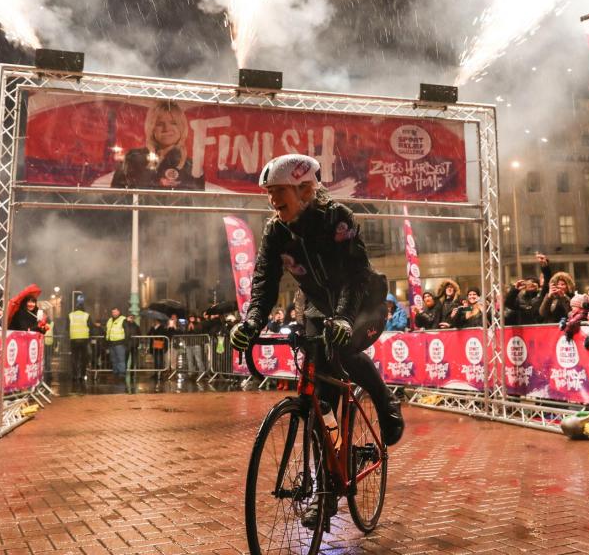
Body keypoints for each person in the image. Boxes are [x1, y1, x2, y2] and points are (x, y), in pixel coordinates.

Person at [229, 154, 405, 469]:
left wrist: (344, 319)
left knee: (344, 350)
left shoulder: (337, 218)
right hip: (318, 312)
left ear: (306, 190)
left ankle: (385, 401)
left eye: (278, 190)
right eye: (268, 191)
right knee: (320, 402)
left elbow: (355, 276)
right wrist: (252, 323)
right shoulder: (276, 232)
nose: (271, 199)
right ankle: (329, 478)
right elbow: (264, 283)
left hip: (363, 304)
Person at [110, 100, 204, 190]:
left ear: (181, 127)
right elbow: (116, 197)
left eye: (173, 123)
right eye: (159, 124)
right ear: (152, 127)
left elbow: (198, 203)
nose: (166, 128)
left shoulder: (192, 167)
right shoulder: (133, 159)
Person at [67, 297, 92, 382]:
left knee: (74, 358)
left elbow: (67, 328)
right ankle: (82, 375)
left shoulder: (71, 315)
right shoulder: (86, 315)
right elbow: (91, 327)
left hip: (74, 339)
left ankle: (74, 375)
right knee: (83, 358)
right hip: (84, 339)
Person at [105, 307, 128, 377]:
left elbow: (127, 331)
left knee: (121, 359)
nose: (114, 313)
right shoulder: (109, 320)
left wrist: (125, 342)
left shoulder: (123, 319)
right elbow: (107, 331)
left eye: (115, 312)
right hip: (111, 343)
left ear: (119, 312)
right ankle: (115, 372)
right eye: (112, 312)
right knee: (113, 359)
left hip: (120, 343)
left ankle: (121, 373)